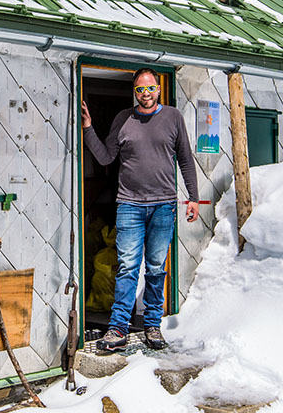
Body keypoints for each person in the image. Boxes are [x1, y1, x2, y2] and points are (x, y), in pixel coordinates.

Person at [81, 68, 198, 352]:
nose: (145, 94)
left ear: (158, 89)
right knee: (127, 267)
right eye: (140, 90)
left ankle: (152, 325)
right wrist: (87, 128)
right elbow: (106, 156)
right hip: (130, 205)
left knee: (156, 268)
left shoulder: (173, 117)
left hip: (163, 205)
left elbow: (184, 158)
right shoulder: (124, 119)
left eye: (150, 89)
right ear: (134, 92)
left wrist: (193, 197)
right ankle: (118, 328)